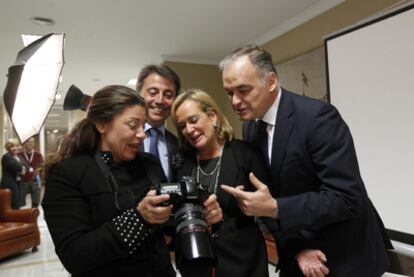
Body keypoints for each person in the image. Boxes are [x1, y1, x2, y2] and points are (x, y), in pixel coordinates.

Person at [219, 44, 392, 277]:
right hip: (297, 252)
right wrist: (297, 247)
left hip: (346, 254)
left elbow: (345, 198)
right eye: (229, 93)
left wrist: (276, 208)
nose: (235, 102)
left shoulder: (318, 117)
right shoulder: (250, 126)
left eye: (243, 90)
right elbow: (270, 193)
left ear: (270, 82)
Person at [42, 85, 222, 277]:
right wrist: (139, 218)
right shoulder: (66, 174)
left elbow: (169, 232)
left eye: (143, 125)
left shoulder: (149, 164)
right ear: (101, 124)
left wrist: (200, 217)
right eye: (132, 124)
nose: (142, 134)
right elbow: (75, 256)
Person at [171, 88, 270, 277]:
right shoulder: (181, 161)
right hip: (196, 261)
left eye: (193, 120)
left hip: (242, 261)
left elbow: (269, 209)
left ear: (213, 117)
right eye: (182, 125)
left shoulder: (245, 154)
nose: (189, 130)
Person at [137, 64, 180, 181]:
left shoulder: (179, 145)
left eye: (168, 95)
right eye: (152, 92)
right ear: (138, 94)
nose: (160, 100)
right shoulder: (123, 139)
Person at [1, 138, 27, 209]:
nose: (14, 148)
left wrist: (22, 168)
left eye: (16, 146)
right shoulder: (7, 157)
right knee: (11, 206)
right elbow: (18, 167)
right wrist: (22, 169)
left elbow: (27, 167)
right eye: (12, 147)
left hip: (17, 184)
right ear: (8, 148)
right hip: (10, 185)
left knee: (17, 205)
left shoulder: (19, 156)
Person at [19, 136, 44, 208]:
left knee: (36, 202)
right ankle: (21, 218)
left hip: (35, 180)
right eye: (28, 142)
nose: (30, 143)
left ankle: (33, 218)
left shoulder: (38, 154)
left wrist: (38, 170)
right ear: (24, 143)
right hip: (23, 181)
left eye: (32, 142)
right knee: (21, 203)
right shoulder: (20, 154)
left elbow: (42, 166)